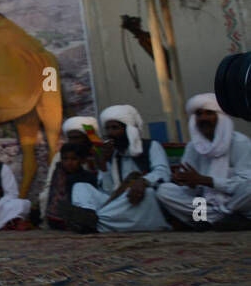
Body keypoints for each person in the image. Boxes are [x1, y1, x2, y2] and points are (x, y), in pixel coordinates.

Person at [66, 104, 169, 233]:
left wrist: (143, 181)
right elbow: (107, 190)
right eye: (108, 129)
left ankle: (95, 222)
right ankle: (88, 214)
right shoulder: (112, 154)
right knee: (80, 186)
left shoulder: (151, 146)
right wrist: (104, 166)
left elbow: (163, 172)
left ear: (129, 130)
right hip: (115, 201)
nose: (110, 133)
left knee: (147, 194)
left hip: (139, 199)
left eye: (115, 128)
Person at [156, 94, 251, 230]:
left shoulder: (240, 142)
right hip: (207, 204)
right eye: (199, 114)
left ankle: (208, 220)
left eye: (209, 113)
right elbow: (192, 192)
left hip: (237, 203)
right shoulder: (193, 147)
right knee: (164, 191)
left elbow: (245, 184)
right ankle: (221, 220)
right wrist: (188, 183)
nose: (203, 118)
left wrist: (206, 180)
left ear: (221, 117)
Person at [43, 142, 99, 230]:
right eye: (65, 159)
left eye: (74, 159)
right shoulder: (59, 173)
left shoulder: (87, 176)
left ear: (82, 160)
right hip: (58, 218)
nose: (69, 163)